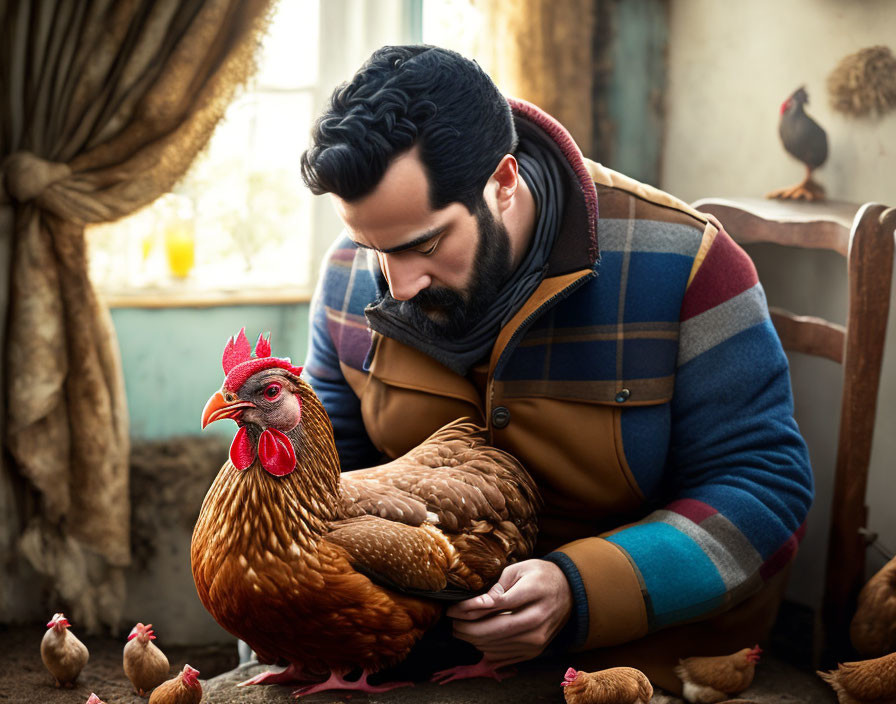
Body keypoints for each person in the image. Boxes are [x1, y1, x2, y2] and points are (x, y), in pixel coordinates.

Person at [300, 45, 813, 691]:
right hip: (416, 657)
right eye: (373, 246)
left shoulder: (690, 263)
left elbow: (764, 490)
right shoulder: (350, 276)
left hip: (639, 662)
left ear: (504, 183)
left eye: (425, 244)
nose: (396, 286)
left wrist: (581, 589)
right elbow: (319, 478)